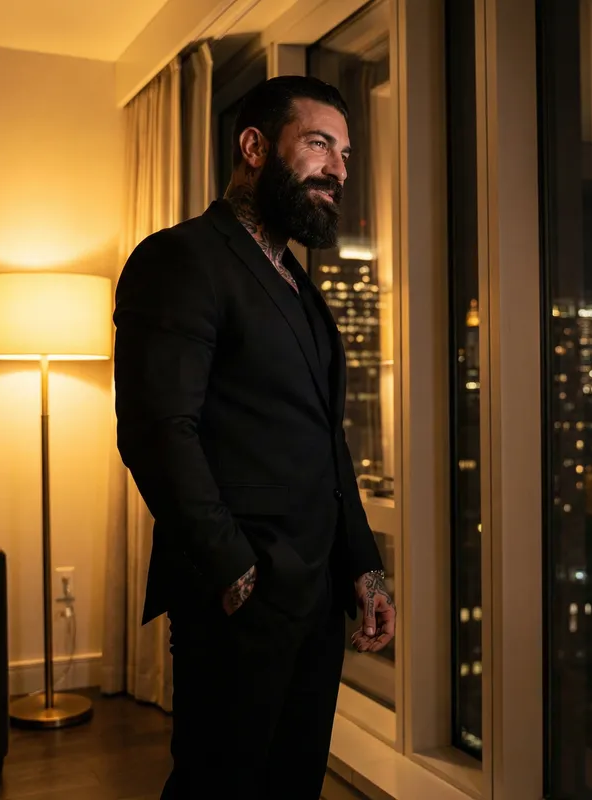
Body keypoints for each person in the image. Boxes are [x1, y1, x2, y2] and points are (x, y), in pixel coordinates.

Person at [113, 75, 396, 800]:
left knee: (294, 783)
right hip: (240, 595)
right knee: (219, 786)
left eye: (346, 152)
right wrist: (232, 570)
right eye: (318, 144)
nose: (338, 167)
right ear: (254, 147)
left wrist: (363, 566)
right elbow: (157, 430)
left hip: (316, 593)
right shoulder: (181, 258)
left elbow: (327, 442)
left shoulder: (300, 286)